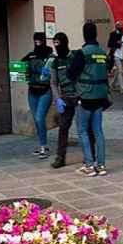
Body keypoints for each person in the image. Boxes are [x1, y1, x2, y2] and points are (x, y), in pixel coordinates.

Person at [67, 22, 110, 176]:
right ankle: (102, 165)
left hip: (85, 97)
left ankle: (89, 166)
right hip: (100, 97)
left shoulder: (82, 53)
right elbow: (108, 69)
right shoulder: (102, 53)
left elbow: (70, 74)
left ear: (84, 34)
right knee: (98, 131)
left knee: (83, 131)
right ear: (96, 34)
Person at [48, 32, 93, 169]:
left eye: (58, 43)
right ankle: (60, 157)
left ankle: (91, 155)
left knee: (85, 127)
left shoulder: (75, 56)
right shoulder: (55, 62)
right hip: (65, 98)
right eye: (54, 43)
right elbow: (53, 83)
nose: (57, 46)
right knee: (63, 127)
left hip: (79, 95)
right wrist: (57, 99)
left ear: (65, 43)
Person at [23, 32, 54, 159]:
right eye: (35, 40)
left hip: (45, 91)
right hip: (32, 91)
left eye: (40, 40)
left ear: (44, 40)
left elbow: (55, 71)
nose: (37, 42)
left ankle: (44, 146)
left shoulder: (50, 56)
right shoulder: (31, 56)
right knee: (36, 119)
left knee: (39, 118)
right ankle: (42, 145)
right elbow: (19, 67)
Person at [106, 21, 123, 92]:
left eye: (121, 25)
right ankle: (122, 88)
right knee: (120, 71)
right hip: (116, 54)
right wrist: (117, 43)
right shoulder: (113, 34)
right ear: (116, 26)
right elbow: (109, 44)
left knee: (118, 71)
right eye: (118, 25)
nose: (120, 26)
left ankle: (112, 84)